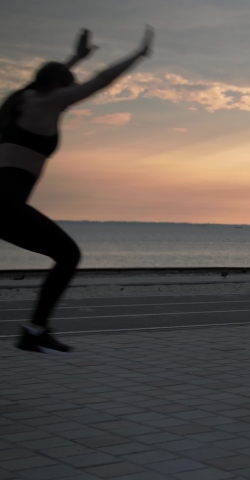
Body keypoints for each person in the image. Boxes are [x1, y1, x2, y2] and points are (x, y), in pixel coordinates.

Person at [0, 27, 154, 354]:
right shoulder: (47, 104)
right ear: (58, 87)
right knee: (68, 255)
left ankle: (35, 330)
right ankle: (34, 330)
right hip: (5, 205)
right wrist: (139, 54)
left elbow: (46, 80)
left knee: (65, 255)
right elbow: (101, 81)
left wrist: (76, 58)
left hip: (5, 206)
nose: (68, 102)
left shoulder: (19, 101)